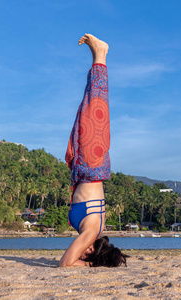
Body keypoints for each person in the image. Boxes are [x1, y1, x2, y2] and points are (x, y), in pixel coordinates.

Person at [59, 34, 128, 267]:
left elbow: (68, 259)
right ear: (96, 251)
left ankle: (98, 56)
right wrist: (88, 264)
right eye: (90, 252)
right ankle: (101, 53)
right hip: (91, 165)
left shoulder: (93, 230)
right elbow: (65, 263)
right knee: (95, 107)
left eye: (85, 253)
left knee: (85, 110)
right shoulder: (90, 234)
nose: (84, 249)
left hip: (85, 167)